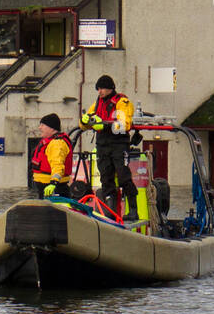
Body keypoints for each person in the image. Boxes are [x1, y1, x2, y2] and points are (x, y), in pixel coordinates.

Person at [80, 75, 138, 221]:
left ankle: (133, 210)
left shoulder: (122, 102)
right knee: (106, 178)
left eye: (102, 89)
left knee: (124, 176)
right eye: (98, 89)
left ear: (110, 88)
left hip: (118, 144)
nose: (100, 91)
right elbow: (86, 122)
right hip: (103, 145)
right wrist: (84, 121)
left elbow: (125, 123)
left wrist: (105, 123)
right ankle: (110, 211)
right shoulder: (98, 103)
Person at [31, 113, 72, 198]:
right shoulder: (49, 141)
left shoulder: (56, 144)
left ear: (52, 128)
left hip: (53, 188)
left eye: (42, 125)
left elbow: (58, 165)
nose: (40, 127)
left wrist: (54, 183)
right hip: (46, 187)